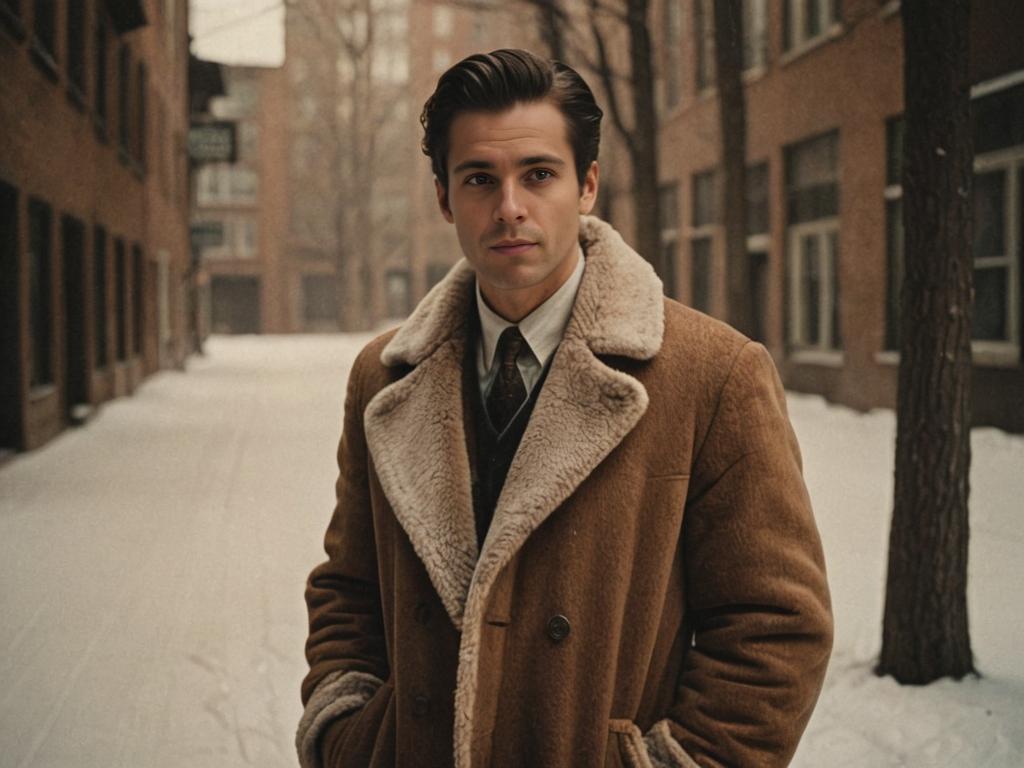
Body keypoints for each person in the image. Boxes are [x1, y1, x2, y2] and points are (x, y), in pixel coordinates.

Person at [296, 49, 832, 768]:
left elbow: (776, 626)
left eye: (538, 175)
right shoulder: (385, 378)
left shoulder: (712, 375)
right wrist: (347, 732)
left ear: (586, 186)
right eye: (480, 178)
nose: (510, 207)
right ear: (445, 199)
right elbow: (348, 587)